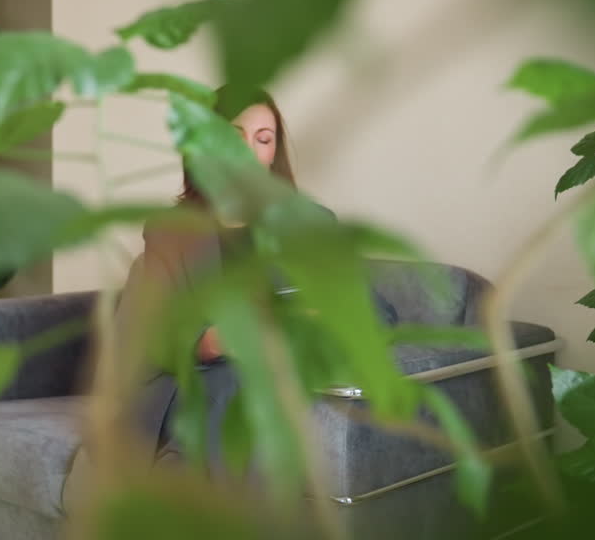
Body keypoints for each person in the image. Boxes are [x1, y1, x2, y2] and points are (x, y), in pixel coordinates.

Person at [61, 87, 395, 513]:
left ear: (274, 154)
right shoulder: (170, 231)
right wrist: (207, 343)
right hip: (187, 384)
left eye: (264, 138)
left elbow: (379, 312)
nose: (249, 149)